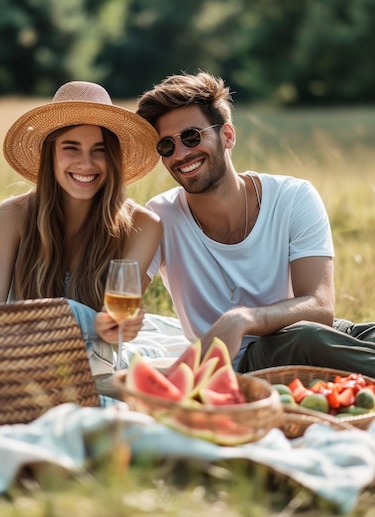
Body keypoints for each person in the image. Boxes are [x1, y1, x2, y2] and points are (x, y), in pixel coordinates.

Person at [136, 70, 375, 376]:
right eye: (166, 147)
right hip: (249, 359)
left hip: (315, 334)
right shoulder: (159, 217)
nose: (181, 154)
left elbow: (320, 308)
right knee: (306, 339)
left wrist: (242, 319)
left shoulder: (293, 196)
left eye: (192, 136)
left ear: (228, 135)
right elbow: (118, 298)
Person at [0, 80, 166, 379]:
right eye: (71, 147)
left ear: (113, 157)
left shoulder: (142, 226)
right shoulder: (13, 215)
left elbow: (115, 326)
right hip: (16, 352)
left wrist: (118, 325)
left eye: (99, 150)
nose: (86, 163)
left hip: (91, 359)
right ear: (50, 154)